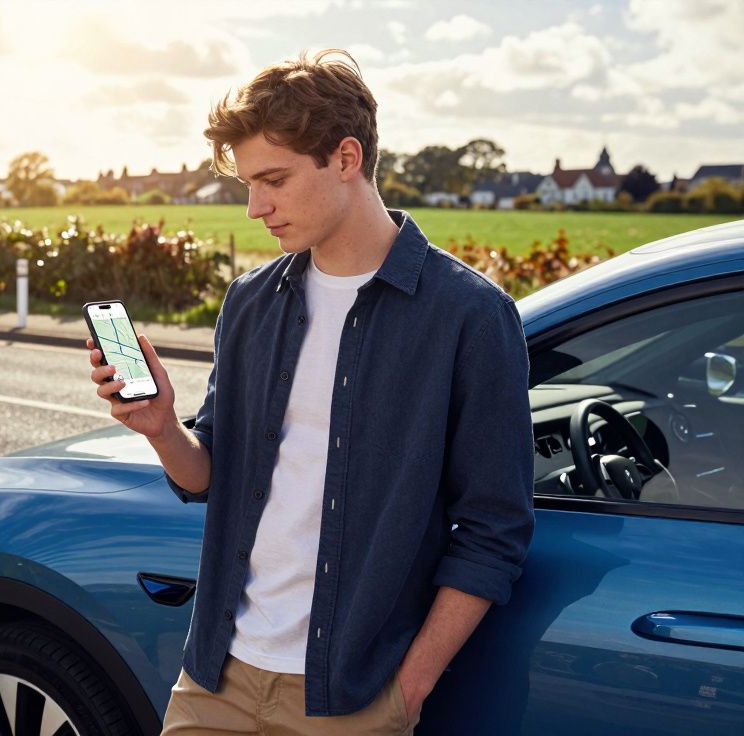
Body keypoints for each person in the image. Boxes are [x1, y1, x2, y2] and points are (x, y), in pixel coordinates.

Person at [84, 49, 534, 734]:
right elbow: (212, 477)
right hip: (215, 677)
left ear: (346, 158)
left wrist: (407, 692)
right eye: (248, 184)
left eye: (274, 180)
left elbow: (494, 530)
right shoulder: (250, 302)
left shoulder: (469, 315)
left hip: (350, 697)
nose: (255, 207)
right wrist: (163, 429)